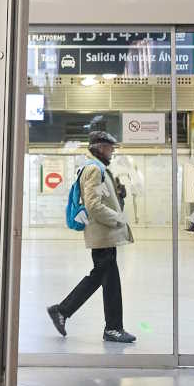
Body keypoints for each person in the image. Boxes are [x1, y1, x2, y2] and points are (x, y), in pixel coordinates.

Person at [46, 131, 136, 343]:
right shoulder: (94, 169)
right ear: (98, 147)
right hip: (102, 233)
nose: (112, 151)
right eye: (109, 147)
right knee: (105, 279)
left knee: (105, 279)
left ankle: (66, 312)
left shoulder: (97, 168)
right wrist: (118, 218)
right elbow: (93, 205)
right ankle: (105, 326)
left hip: (103, 234)